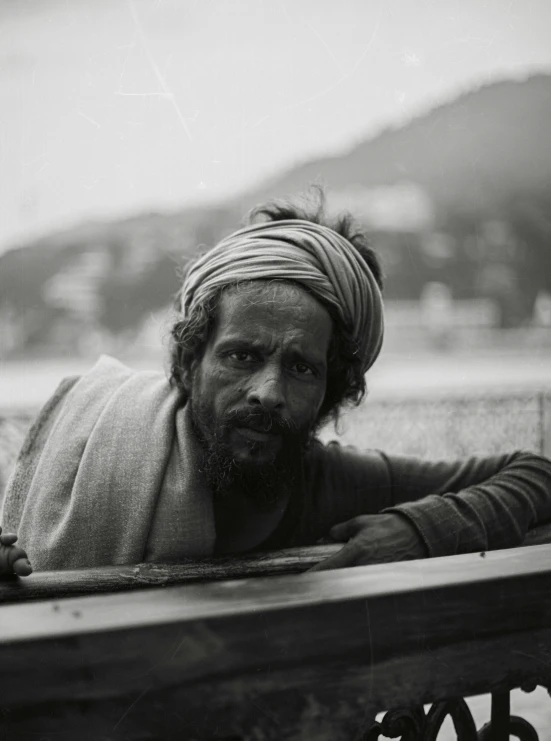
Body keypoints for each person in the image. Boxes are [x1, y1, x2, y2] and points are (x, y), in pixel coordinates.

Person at [2, 191, 551, 576]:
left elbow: (537, 473)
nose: (268, 391)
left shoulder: (336, 483)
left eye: (302, 368)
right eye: (242, 355)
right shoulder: (89, 446)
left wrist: (422, 530)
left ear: (331, 394)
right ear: (190, 364)